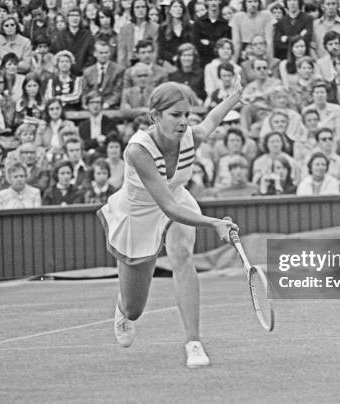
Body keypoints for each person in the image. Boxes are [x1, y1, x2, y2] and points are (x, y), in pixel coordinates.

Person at [96, 79, 240, 368]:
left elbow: (212, 118)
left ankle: (194, 342)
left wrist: (235, 97)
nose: (184, 122)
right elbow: (169, 208)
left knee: (183, 256)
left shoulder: (191, 136)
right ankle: (123, 306)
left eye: (186, 114)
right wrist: (214, 223)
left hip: (176, 198)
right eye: (175, 115)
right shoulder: (139, 151)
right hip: (140, 215)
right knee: (135, 309)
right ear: (155, 116)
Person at [81, 40, 125, 109]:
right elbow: (84, 92)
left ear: (110, 53)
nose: (104, 55)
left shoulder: (119, 70)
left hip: (111, 106)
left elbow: (118, 92)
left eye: (106, 53)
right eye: (101, 53)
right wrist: (85, 104)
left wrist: (107, 103)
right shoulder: (87, 72)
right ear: (95, 54)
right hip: (92, 105)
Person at [51, 7, 95, 72]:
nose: (74, 18)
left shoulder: (88, 35)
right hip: (65, 73)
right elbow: (57, 55)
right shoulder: (60, 36)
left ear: (80, 18)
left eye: (77, 15)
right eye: (71, 15)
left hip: (84, 73)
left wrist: (85, 71)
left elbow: (91, 57)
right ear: (67, 18)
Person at [116, 0, 157, 67]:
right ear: (133, 10)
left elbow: (156, 51)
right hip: (130, 66)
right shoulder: (124, 29)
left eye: (143, 7)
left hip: (149, 65)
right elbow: (122, 54)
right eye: (137, 7)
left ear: (147, 9)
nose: (140, 10)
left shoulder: (155, 28)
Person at [157, 0, 193, 67]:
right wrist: (173, 58)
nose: (178, 9)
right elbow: (161, 49)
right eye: (175, 7)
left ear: (183, 10)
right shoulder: (163, 28)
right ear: (170, 10)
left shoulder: (190, 26)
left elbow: (193, 46)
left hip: (187, 61)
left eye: (180, 7)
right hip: (169, 63)